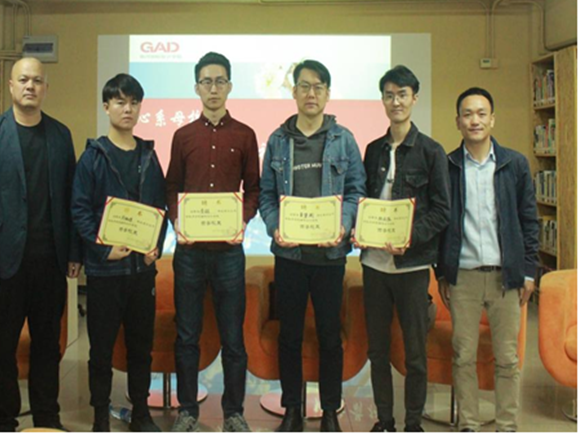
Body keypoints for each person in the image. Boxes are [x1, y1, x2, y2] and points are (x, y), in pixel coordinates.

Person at [0, 57, 82, 432]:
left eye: (37, 80)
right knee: (1, 346)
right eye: (23, 80)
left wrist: (75, 251)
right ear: (11, 86)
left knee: (48, 345)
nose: (30, 86)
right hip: (4, 264)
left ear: (46, 88)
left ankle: (47, 417)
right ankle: (3, 419)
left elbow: (72, 198)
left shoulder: (60, 135)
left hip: (51, 261)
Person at [259, 59, 366, 432]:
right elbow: (267, 196)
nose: (311, 93)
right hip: (290, 255)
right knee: (289, 335)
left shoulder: (344, 139)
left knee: (329, 336)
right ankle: (292, 409)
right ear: (294, 92)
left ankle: (330, 411)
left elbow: (356, 190)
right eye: (304, 86)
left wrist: (344, 224)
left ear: (328, 93)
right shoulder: (278, 140)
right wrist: (274, 227)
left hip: (330, 257)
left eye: (318, 86)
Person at [166, 52, 260, 432]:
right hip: (189, 253)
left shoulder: (245, 135)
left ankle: (233, 412)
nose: (213, 88)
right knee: (187, 336)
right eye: (206, 81)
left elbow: (254, 189)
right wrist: (177, 219)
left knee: (233, 338)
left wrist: (242, 218)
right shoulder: (183, 136)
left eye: (220, 81)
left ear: (230, 86)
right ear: (196, 87)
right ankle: (187, 410)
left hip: (228, 254)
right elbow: (172, 186)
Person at [436, 87, 539, 433]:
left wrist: (528, 271)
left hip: (505, 276)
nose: (475, 120)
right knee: (463, 355)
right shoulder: (448, 165)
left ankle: (507, 426)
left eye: (481, 113)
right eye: (467, 114)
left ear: (492, 119)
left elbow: (529, 221)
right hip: (463, 275)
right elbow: (441, 223)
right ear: (458, 121)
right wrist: (442, 272)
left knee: (507, 358)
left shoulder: (514, 164)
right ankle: (468, 424)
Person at [354, 65, 450, 432]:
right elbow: (364, 200)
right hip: (374, 265)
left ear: (414, 98)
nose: (396, 101)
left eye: (403, 95)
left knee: (415, 353)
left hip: (411, 267)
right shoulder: (372, 150)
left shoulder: (431, 151)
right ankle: (384, 420)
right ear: (382, 100)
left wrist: (410, 236)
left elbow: (442, 211)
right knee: (377, 350)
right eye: (389, 95)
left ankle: (412, 423)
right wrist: (359, 229)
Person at [71, 73, 167, 432]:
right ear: (106, 106)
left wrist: (156, 245)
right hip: (105, 272)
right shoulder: (92, 157)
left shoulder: (149, 156)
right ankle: (100, 415)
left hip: (142, 272)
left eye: (134, 103)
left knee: (141, 348)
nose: (128, 109)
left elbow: (160, 209)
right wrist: (102, 249)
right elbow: (80, 210)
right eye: (120, 102)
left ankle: (140, 411)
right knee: (101, 350)